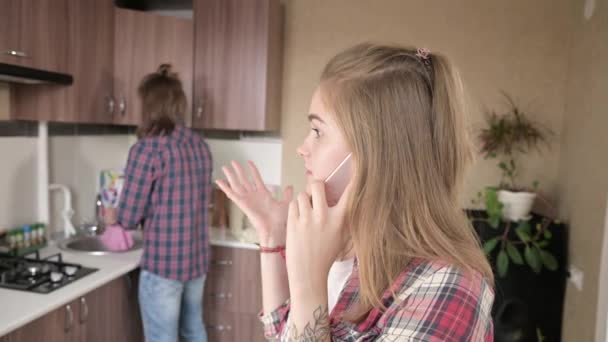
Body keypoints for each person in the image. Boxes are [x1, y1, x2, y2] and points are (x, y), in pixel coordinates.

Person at [216, 43, 494, 341]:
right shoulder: (350, 249)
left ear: (378, 154)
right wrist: (273, 237)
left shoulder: (449, 287)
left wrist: (310, 285)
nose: (302, 148)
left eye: (318, 132)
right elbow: (283, 334)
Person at [107, 64, 213, 342]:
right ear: (178, 103)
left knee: (161, 338)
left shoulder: (147, 149)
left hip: (164, 264)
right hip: (197, 259)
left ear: (148, 106)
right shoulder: (199, 144)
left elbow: (129, 214)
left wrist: (112, 219)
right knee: (194, 330)